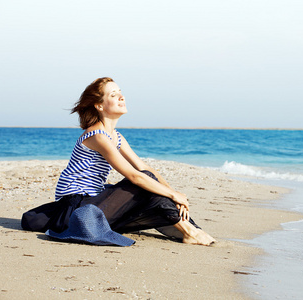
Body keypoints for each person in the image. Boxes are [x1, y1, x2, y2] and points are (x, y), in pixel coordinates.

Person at [21, 77, 215, 246]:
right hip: (77, 206)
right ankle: (189, 232)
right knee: (143, 183)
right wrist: (173, 195)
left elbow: (144, 167)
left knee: (149, 185)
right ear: (99, 105)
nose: (122, 97)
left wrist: (176, 194)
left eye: (120, 92)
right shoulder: (97, 136)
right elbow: (134, 175)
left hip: (94, 200)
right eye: (113, 95)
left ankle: (189, 229)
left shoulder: (116, 136)